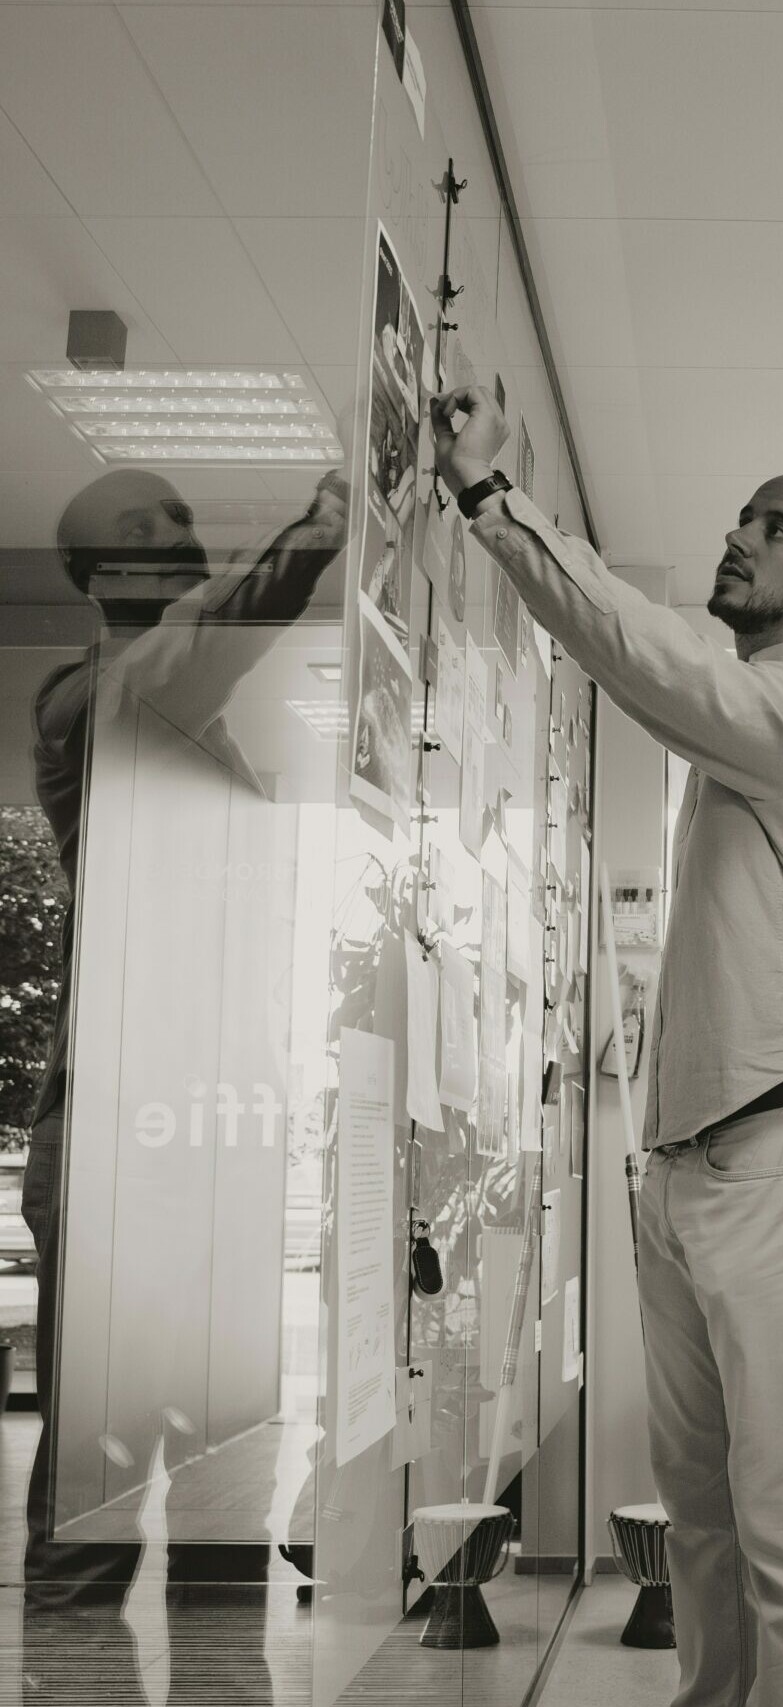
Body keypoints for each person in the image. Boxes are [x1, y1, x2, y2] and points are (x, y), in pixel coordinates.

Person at [431, 386, 783, 1707]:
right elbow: (655, 654)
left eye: (777, 527)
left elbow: (646, 659)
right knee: (701, 1517)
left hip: (779, 1152)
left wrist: (495, 504)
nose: (740, 536)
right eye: (740, 516)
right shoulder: (742, 711)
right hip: (690, 1166)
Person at [24, 467, 348, 1700]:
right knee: (97, 1490)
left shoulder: (180, 715)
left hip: (196, 1141)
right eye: (153, 528)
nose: (185, 536)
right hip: (114, 1148)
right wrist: (316, 535)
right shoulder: (89, 701)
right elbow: (200, 640)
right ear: (99, 570)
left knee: (220, 1477)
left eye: (182, 522)